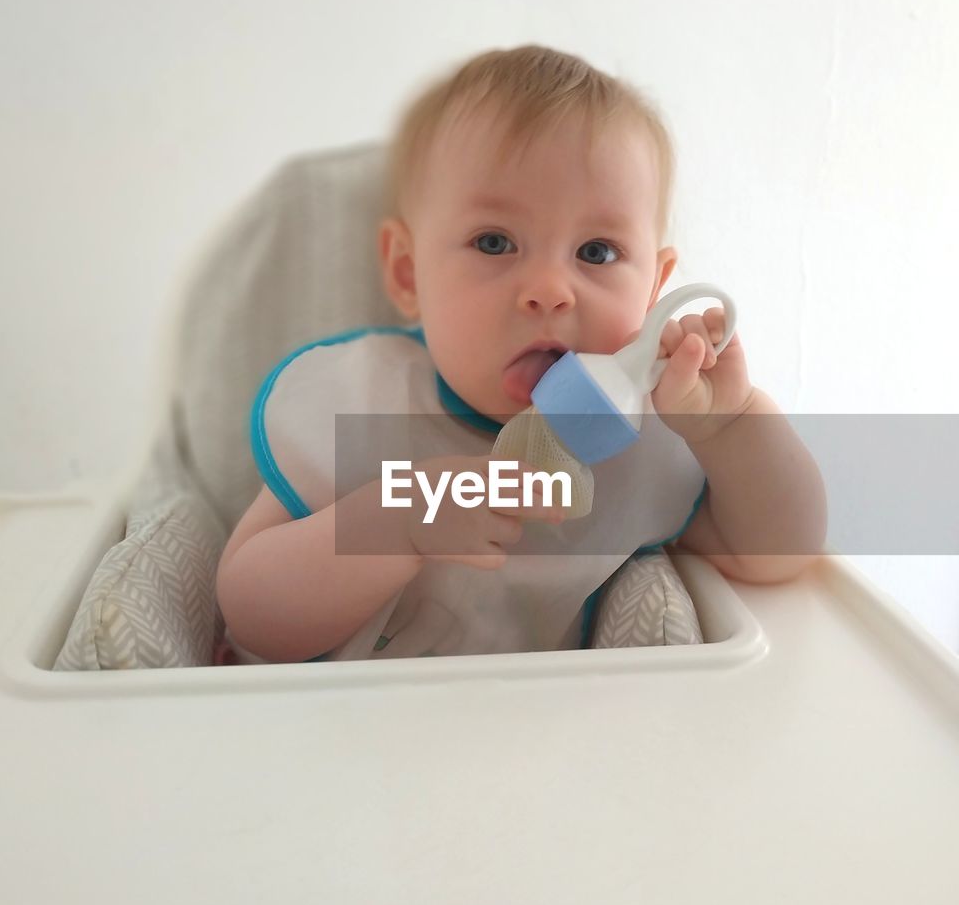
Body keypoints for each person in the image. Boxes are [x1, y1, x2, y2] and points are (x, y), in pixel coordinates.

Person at [216, 45, 826, 663]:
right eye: (494, 241)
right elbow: (249, 616)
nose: (549, 293)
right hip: (348, 733)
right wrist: (397, 518)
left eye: (596, 253)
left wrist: (732, 426)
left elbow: (777, 556)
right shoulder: (365, 406)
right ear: (407, 273)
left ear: (653, 292)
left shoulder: (642, 440)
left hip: (552, 742)